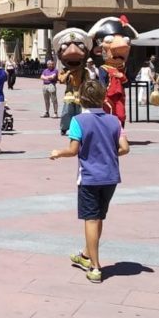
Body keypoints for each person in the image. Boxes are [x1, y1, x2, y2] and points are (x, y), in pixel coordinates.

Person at [50, 79, 130, 284]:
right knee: (99, 217)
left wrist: (58, 152)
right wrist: (107, 153)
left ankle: (95, 267)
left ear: (81, 99)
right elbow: (125, 148)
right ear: (103, 97)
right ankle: (86, 254)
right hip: (110, 176)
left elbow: (73, 150)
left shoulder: (78, 121)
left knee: (91, 219)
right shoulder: (114, 121)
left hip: (89, 177)